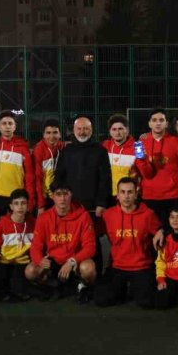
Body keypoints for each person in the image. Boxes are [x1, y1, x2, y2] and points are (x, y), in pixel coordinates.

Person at [54, 115, 112, 272]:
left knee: (92, 242)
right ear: (74, 130)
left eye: (86, 128)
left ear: (91, 130)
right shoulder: (67, 151)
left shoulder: (100, 151)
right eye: (79, 128)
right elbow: (59, 177)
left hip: (92, 207)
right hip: (71, 206)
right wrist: (60, 200)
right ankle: (72, 276)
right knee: (71, 241)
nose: (82, 131)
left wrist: (101, 203)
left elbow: (105, 180)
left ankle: (95, 274)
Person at [95, 177, 163, 309]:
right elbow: (93, 234)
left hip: (142, 267)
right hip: (117, 267)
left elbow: (161, 229)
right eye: (123, 192)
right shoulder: (108, 215)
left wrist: (162, 231)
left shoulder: (148, 215)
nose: (126, 196)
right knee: (100, 299)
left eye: (130, 192)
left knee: (146, 302)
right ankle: (123, 289)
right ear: (118, 195)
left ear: (136, 194)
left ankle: (132, 288)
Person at [26, 180, 97, 303]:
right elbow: (36, 246)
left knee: (88, 269)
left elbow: (90, 247)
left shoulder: (83, 216)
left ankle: (82, 286)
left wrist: (72, 261)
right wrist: (40, 260)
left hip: (74, 261)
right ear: (52, 196)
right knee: (30, 271)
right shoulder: (43, 218)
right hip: (53, 261)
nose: (62, 198)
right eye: (58, 194)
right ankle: (49, 286)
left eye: (66, 194)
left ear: (71, 194)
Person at [135, 108, 178, 226]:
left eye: (161, 120)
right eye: (154, 120)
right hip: (149, 196)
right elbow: (140, 169)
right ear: (149, 123)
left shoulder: (177, 143)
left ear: (166, 123)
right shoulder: (140, 143)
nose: (158, 123)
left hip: (173, 196)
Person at [0, 110, 35, 226]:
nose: (7, 127)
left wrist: (30, 199)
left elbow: (29, 176)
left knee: (16, 229)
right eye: (4, 124)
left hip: (16, 197)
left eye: (10, 123)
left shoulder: (23, 148)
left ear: (15, 127)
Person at [0, 189, 34, 301]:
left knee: (21, 289)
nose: (20, 207)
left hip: (23, 262)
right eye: (16, 203)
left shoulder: (34, 223)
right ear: (11, 206)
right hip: (5, 261)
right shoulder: (1, 225)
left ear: (28, 205)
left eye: (23, 203)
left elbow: (38, 245)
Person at [102, 114, 137, 202]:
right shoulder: (105, 146)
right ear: (110, 131)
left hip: (127, 195)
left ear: (127, 130)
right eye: (114, 129)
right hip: (108, 194)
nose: (117, 132)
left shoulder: (137, 147)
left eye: (120, 129)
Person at [32, 118, 64, 213]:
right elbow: (37, 179)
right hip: (44, 198)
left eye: (55, 132)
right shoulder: (39, 150)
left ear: (60, 134)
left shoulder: (62, 147)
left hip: (58, 196)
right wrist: (41, 204)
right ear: (43, 135)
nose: (51, 136)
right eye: (48, 133)